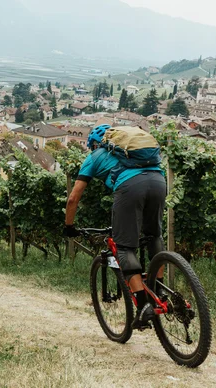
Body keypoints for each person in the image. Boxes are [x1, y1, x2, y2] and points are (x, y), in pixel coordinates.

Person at [63, 124, 166, 328]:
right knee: (154, 236)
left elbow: (73, 198)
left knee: (124, 247)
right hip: (159, 181)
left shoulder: (93, 157)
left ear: (93, 144)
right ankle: (160, 289)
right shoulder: (130, 152)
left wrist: (69, 225)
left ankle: (144, 305)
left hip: (130, 187)